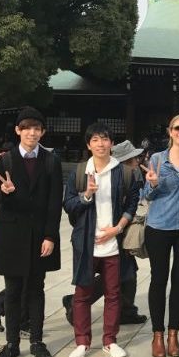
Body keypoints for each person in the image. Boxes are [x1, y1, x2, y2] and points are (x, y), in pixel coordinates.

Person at [0, 107, 62, 357]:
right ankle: (11, 344)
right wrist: (5, 191)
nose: (32, 132)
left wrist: (51, 236)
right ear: (18, 130)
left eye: (37, 128)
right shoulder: (5, 160)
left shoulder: (52, 160)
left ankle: (37, 341)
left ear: (42, 132)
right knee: (12, 290)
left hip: (40, 234)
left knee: (36, 288)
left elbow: (55, 203)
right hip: (11, 233)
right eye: (27, 127)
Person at [63, 123, 134, 357]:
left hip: (113, 243)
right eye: (95, 140)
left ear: (111, 143)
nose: (101, 144)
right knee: (82, 293)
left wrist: (117, 228)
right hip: (86, 242)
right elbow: (68, 205)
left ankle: (110, 340)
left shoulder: (122, 172)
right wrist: (86, 195)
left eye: (105, 139)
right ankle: (82, 341)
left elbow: (132, 204)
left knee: (113, 294)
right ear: (88, 145)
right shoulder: (80, 171)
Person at [61, 140, 148, 327]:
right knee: (116, 274)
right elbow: (73, 205)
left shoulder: (129, 176)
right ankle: (76, 303)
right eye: (133, 159)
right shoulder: (113, 176)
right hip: (97, 236)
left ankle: (126, 310)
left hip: (118, 234)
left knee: (127, 272)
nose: (137, 161)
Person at [141, 114, 179, 357]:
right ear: (170, 131)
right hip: (159, 227)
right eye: (177, 127)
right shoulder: (156, 159)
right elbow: (145, 195)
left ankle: (173, 334)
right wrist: (153, 184)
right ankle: (157, 334)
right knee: (158, 279)